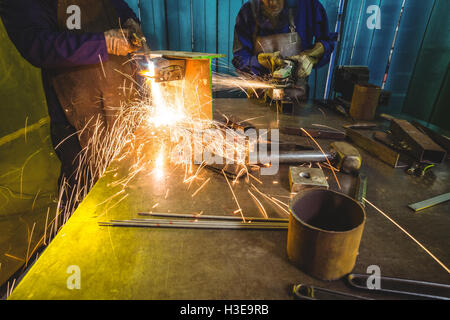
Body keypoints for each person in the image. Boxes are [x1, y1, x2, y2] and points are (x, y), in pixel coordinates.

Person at [0, 0, 147, 213]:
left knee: (129, 184)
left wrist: (131, 22)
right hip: (76, 115)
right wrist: (103, 43)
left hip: (122, 99)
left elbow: (116, 5)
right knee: (83, 196)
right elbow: (38, 45)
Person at [232, 0, 336, 100]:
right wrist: (259, 61)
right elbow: (239, 59)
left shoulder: (310, 6)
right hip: (258, 96)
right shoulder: (247, 12)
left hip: (296, 98)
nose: (273, 3)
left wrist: (310, 57)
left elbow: (327, 42)